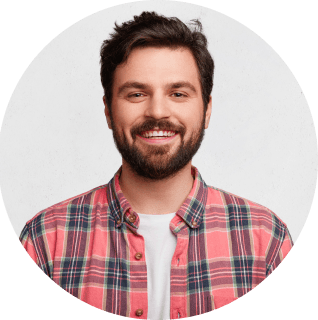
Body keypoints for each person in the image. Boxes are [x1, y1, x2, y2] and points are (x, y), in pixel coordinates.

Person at [19, 11, 293, 320]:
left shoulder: (266, 240)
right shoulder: (45, 240)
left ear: (206, 111)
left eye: (178, 93)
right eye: (137, 93)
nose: (158, 111)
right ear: (109, 111)